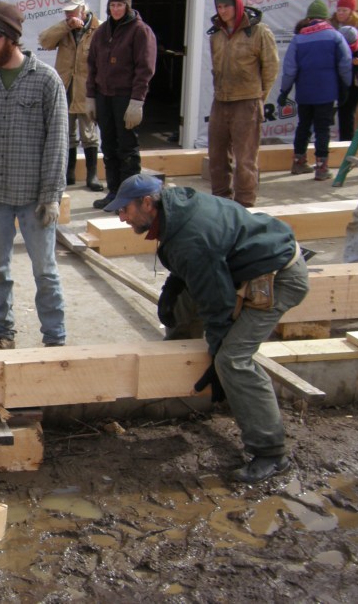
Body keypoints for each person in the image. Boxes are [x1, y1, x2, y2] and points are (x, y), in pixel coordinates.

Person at [107, 174, 309, 484]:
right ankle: (178, 389)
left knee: (233, 360)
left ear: (147, 203)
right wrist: (175, 289)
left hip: (279, 278)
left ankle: (270, 453)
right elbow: (202, 263)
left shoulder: (191, 239)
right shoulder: (177, 207)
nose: (121, 217)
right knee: (181, 309)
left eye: (124, 210)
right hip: (239, 266)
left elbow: (218, 305)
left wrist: (217, 355)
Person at [0, 0, 68, 349]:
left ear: (10, 38)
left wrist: (51, 196)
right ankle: (3, 334)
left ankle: (54, 339)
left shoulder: (46, 81)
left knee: (45, 271)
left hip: (35, 197)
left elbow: (58, 141)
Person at [206, 0, 279, 207]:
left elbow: (271, 68)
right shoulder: (216, 35)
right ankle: (220, 202)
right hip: (221, 101)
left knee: (245, 159)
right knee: (217, 156)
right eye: (219, 7)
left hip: (247, 101)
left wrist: (258, 97)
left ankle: (245, 205)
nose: (222, 11)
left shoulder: (258, 32)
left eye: (226, 6)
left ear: (237, 5)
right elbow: (216, 69)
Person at [86, 0, 157, 210]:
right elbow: (92, 66)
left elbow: (145, 68)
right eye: (113, 5)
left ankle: (130, 199)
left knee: (127, 148)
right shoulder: (101, 32)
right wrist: (90, 96)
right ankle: (114, 192)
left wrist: (138, 100)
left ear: (128, 6)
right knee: (108, 147)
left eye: (120, 5)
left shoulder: (140, 31)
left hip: (125, 97)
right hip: (104, 96)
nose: (116, 9)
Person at [279, 0, 352, 180]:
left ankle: (298, 163)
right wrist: (346, 86)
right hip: (327, 92)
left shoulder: (298, 39)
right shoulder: (335, 36)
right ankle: (321, 168)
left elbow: (290, 69)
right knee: (322, 129)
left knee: (303, 126)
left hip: (305, 92)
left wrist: (284, 91)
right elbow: (345, 64)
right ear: (325, 18)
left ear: (309, 18)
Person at [38, 0, 104, 191]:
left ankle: (92, 175)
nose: (69, 15)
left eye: (72, 11)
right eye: (66, 12)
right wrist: (66, 26)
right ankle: (69, 173)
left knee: (89, 134)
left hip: (86, 90)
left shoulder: (99, 29)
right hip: (65, 88)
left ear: (83, 10)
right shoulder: (64, 29)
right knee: (66, 133)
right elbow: (44, 41)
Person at [330, 0, 358, 141]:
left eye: (344, 10)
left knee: (348, 113)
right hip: (334, 76)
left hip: (353, 78)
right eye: (339, 10)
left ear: (351, 12)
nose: (340, 13)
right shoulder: (331, 26)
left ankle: (346, 143)